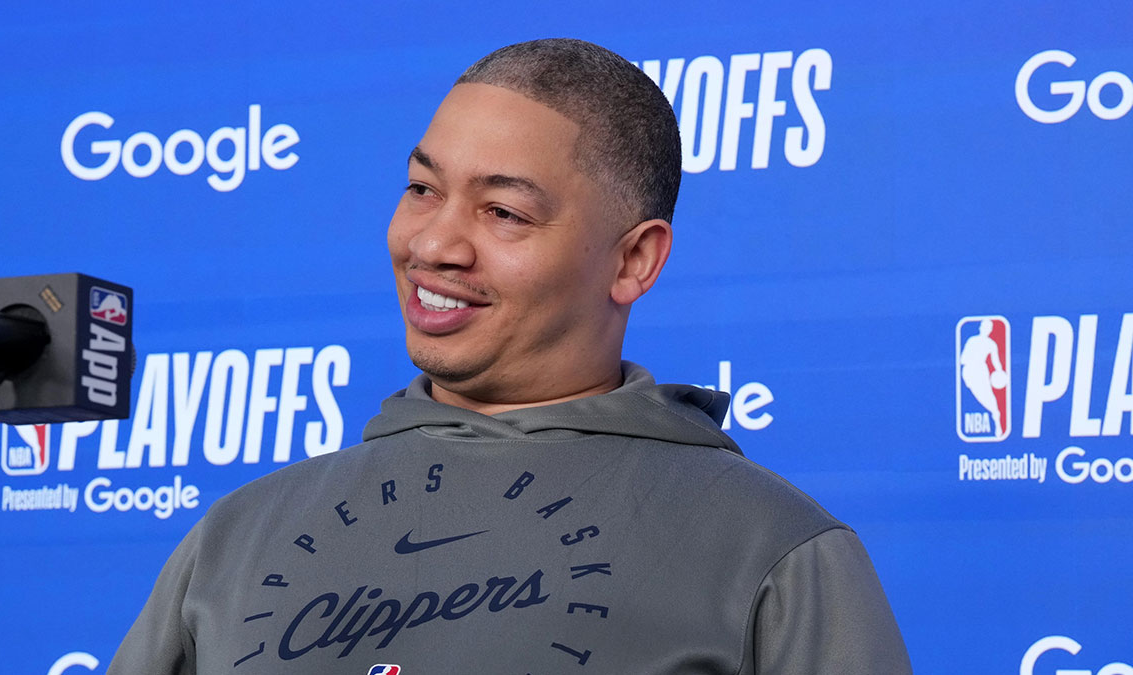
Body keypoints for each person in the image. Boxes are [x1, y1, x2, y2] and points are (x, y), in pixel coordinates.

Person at [109, 38, 911, 674]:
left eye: (502, 212)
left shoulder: (771, 550)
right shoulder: (236, 534)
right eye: (422, 189)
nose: (433, 243)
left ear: (634, 261)